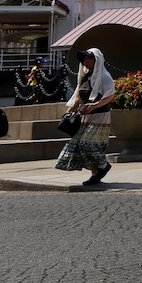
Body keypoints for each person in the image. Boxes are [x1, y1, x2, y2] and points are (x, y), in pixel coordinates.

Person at [54, 48, 115, 186]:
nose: (85, 62)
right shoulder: (85, 77)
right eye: (84, 59)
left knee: (87, 143)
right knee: (79, 146)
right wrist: (69, 111)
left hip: (99, 116)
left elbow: (110, 95)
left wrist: (94, 105)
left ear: (96, 60)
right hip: (85, 116)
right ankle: (95, 174)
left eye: (89, 58)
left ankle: (103, 165)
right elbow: (78, 97)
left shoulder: (104, 77)